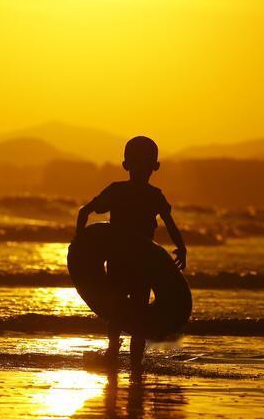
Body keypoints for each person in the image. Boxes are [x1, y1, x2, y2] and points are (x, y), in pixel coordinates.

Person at [76, 136, 186, 371]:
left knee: (116, 311)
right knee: (139, 313)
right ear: (155, 167)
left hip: (120, 262)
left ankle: (112, 355)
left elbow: (85, 211)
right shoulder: (154, 195)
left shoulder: (117, 191)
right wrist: (182, 247)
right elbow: (170, 225)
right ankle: (135, 363)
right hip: (142, 266)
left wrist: (79, 242)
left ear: (125, 164)